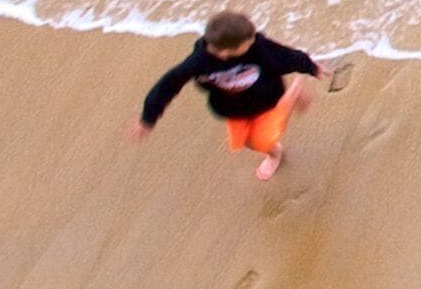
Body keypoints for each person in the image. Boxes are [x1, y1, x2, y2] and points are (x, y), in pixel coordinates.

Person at [137, 11, 328, 181]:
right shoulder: (197, 64)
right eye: (247, 44)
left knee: (262, 139)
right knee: (244, 141)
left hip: (269, 98)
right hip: (232, 108)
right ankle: (276, 136)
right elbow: (167, 85)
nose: (253, 42)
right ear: (224, 52)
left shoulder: (256, 44)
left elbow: (283, 55)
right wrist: (148, 118)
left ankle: (290, 103)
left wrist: (310, 67)